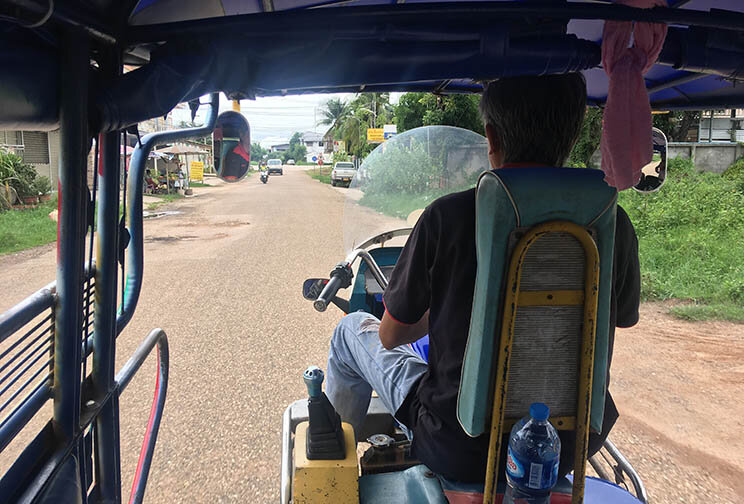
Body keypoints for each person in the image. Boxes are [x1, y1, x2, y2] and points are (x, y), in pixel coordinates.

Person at [324, 73, 641, 485]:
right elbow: (620, 318)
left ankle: (334, 465)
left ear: (490, 136)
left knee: (351, 330)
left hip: (456, 444)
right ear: (573, 133)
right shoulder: (612, 224)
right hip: (565, 448)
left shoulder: (448, 216)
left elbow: (390, 337)